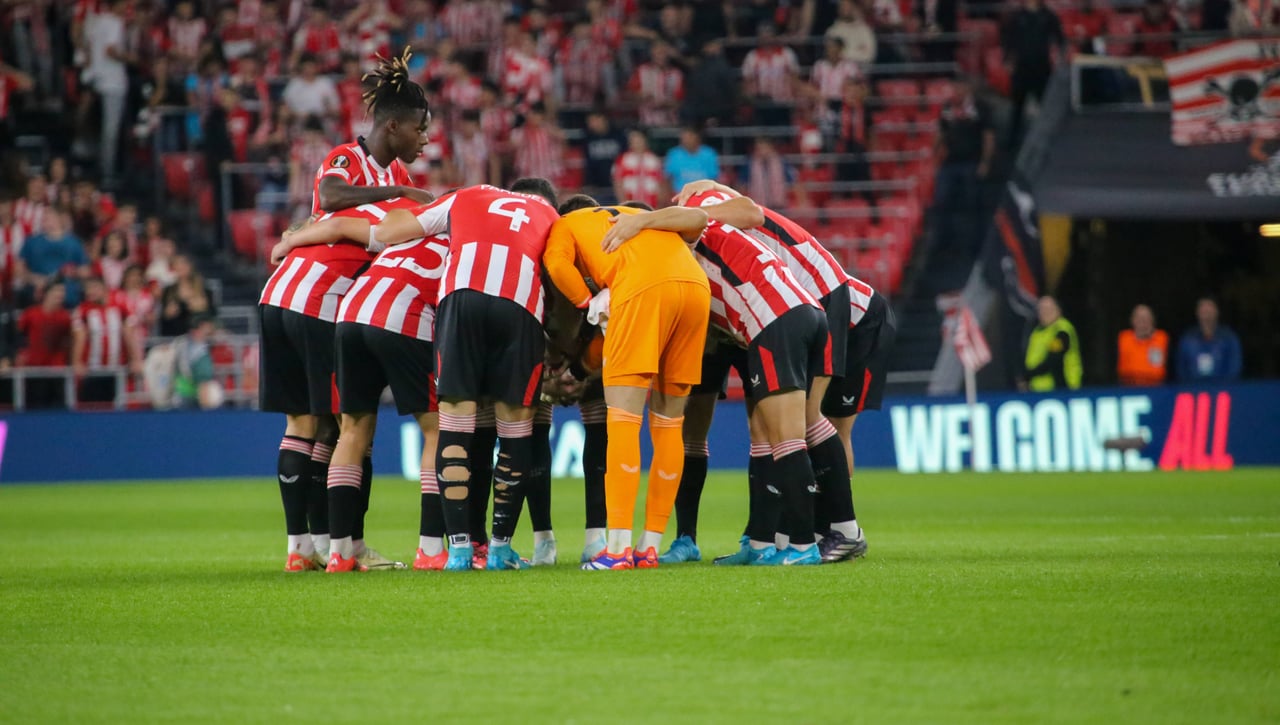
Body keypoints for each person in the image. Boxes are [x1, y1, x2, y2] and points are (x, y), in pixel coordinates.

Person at [258, 49, 431, 573]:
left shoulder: (392, 170)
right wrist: (400, 191)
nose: (425, 139)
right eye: (420, 128)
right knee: (345, 427)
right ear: (393, 126)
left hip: (281, 293)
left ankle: (300, 549)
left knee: (306, 424)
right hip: (320, 298)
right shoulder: (346, 159)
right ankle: (345, 547)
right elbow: (331, 198)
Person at [338, 179, 559, 571]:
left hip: (459, 300)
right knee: (515, 430)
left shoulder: (469, 194)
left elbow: (390, 231)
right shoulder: (550, 217)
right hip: (519, 305)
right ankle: (500, 549)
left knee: (454, 427)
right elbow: (559, 275)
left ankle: (456, 549)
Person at [669, 179, 891, 564]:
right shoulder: (705, 209)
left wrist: (693, 211)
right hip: (796, 300)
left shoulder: (701, 211)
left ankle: (838, 529)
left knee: (812, 422)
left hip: (836, 301)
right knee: (770, 425)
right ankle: (774, 536)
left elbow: (750, 212)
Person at [604, 203, 833, 567]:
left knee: (787, 439)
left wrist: (641, 221)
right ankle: (761, 546)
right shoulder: (714, 241)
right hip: (801, 314)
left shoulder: (688, 231)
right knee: (769, 434)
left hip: (775, 321)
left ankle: (803, 546)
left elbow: (696, 217)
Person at [270, 197, 448, 572]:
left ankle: (321, 549)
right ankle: (420, 548)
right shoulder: (412, 222)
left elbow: (318, 222)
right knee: (432, 428)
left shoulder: (356, 210)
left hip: (283, 294)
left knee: (319, 427)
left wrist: (288, 240)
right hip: (333, 302)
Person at [544, 195, 711, 570]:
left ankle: (617, 550)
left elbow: (556, 264)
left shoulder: (565, 223)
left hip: (640, 290)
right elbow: (697, 219)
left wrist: (587, 302)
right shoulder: (637, 214)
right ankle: (649, 546)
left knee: (623, 420)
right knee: (670, 422)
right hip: (696, 290)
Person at [1001, 0, 1065, 149]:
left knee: (1045, 105)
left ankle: (1048, 138)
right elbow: (1007, 39)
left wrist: (1060, 56)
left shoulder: (1048, 15)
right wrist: (1008, 59)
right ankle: (1012, 141)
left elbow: (1059, 37)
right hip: (1022, 66)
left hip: (1041, 66)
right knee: (1017, 106)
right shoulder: (1017, 16)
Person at [83, 0, 131, 186]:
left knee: (102, 128)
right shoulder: (114, 23)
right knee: (111, 130)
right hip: (113, 81)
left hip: (97, 79)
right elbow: (110, 50)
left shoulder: (95, 21)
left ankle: (102, 169)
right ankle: (107, 175)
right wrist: (131, 58)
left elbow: (87, 48)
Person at [72, 276, 138, 405]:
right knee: (92, 407)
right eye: (88, 289)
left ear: (104, 289)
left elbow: (129, 334)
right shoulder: (82, 311)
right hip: (92, 370)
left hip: (117, 369)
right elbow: (79, 338)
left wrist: (135, 359)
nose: (90, 292)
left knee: (118, 407)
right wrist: (77, 361)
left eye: (94, 288)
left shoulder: (120, 307)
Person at [17, 282, 72, 409]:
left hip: (57, 370)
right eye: (57, 291)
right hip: (34, 369)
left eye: (62, 292)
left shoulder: (65, 317)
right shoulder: (30, 314)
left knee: (58, 409)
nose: (60, 294)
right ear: (46, 294)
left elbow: (69, 342)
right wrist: (21, 356)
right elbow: (20, 337)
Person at [1022, 295, 1081, 392]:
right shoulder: (1038, 331)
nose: (1044, 312)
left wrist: (1027, 375)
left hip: (1062, 389)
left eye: (1048, 308)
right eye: (1041, 309)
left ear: (1058, 310)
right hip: (1039, 389)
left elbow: (1054, 360)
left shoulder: (1062, 330)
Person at [1176, 297, 1242, 383]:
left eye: (1209, 308)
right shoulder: (1187, 338)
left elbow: (1234, 367)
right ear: (1197, 312)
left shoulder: (1229, 338)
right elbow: (1181, 368)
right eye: (1203, 308)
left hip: (1223, 390)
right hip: (1193, 391)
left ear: (1217, 311)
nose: (1206, 312)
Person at [171, 314, 223, 409]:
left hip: (177, 396)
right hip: (192, 398)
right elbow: (204, 385)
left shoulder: (179, 343)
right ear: (199, 329)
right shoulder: (200, 353)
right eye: (208, 328)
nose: (211, 331)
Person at [613, 129, 664, 210]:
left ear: (645, 141)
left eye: (639, 140)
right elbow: (618, 182)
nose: (636, 143)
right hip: (629, 203)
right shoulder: (622, 159)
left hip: (652, 203)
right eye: (633, 141)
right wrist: (622, 203)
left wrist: (659, 205)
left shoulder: (654, 159)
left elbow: (660, 183)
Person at [1117, 304, 1168, 386]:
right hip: (1128, 387)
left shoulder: (1161, 338)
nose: (1143, 322)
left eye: (1146, 318)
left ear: (1153, 320)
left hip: (1156, 387)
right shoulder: (1124, 338)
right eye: (1139, 318)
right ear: (1132, 321)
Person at [581, 111, 626, 203]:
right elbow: (588, 163)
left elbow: (624, 159)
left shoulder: (619, 135)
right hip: (598, 187)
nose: (591, 125)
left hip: (619, 185)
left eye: (593, 121)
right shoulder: (588, 138)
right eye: (589, 122)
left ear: (602, 119)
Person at [664, 126, 720, 191]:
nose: (686, 140)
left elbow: (715, 178)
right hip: (680, 195)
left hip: (704, 194)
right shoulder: (674, 154)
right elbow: (668, 178)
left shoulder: (709, 154)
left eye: (689, 137)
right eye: (684, 138)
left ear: (697, 138)